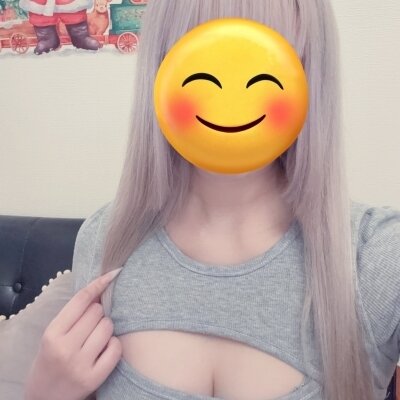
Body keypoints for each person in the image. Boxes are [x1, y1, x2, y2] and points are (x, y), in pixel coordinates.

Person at [24, 1, 400, 400]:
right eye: (204, 63)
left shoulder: (377, 257)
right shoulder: (105, 240)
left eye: (263, 61)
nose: (231, 94)